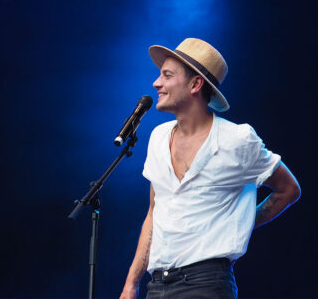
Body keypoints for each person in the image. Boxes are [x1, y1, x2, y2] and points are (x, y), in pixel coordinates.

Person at [119, 38, 301, 299]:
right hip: (157, 286)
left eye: (167, 76)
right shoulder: (158, 137)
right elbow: (153, 212)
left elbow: (289, 190)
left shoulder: (236, 140)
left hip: (205, 284)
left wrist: (239, 225)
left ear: (195, 84)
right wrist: (130, 284)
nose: (156, 83)